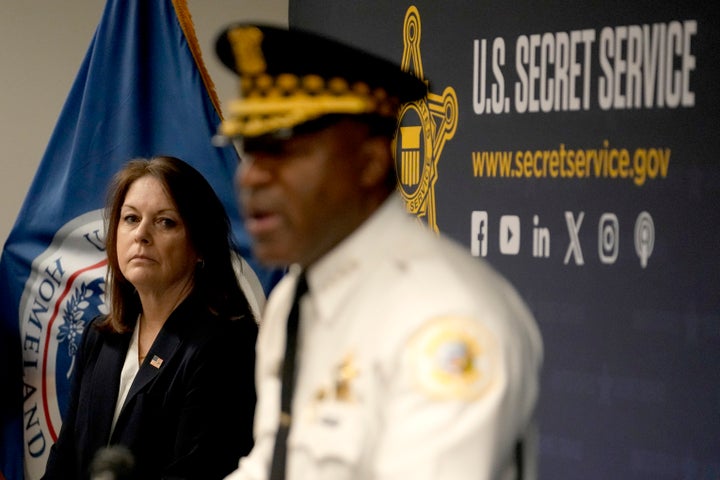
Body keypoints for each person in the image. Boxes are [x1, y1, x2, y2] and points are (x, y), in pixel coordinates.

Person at [214, 24, 543, 480]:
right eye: (250, 151)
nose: (250, 177)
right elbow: (275, 466)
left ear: (370, 163)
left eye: (283, 151)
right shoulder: (293, 297)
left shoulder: (446, 318)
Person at [42, 155, 259, 480]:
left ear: (200, 244)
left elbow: (199, 471)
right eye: (130, 219)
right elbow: (66, 458)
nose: (141, 234)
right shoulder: (102, 337)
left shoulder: (225, 343)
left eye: (165, 222)